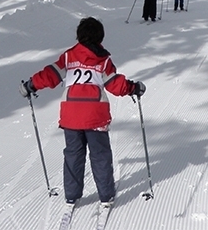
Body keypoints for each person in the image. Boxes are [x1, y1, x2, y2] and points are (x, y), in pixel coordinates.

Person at [19, 17, 146, 208]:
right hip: (96, 116)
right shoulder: (103, 61)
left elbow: (50, 75)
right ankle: (106, 196)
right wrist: (134, 88)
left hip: (71, 116)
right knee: (100, 155)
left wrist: (31, 85)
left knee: (73, 154)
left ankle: (71, 195)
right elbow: (115, 85)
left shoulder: (68, 57)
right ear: (100, 38)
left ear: (79, 36)